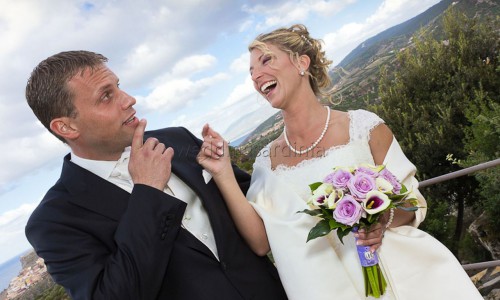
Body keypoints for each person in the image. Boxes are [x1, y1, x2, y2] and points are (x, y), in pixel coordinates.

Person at [197, 24, 482, 300]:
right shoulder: (266, 164)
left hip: (409, 280)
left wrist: (382, 218)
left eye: (266, 61)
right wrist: (223, 173)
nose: (256, 76)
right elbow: (260, 243)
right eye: (251, 71)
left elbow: (412, 203)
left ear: (302, 63)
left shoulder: (364, 128)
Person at [24, 50, 288, 300]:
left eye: (118, 86)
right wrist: (148, 192)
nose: (128, 99)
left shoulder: (177, 138)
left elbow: (258, 206)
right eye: (106, 95)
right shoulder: (54, 222)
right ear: (66, 127)